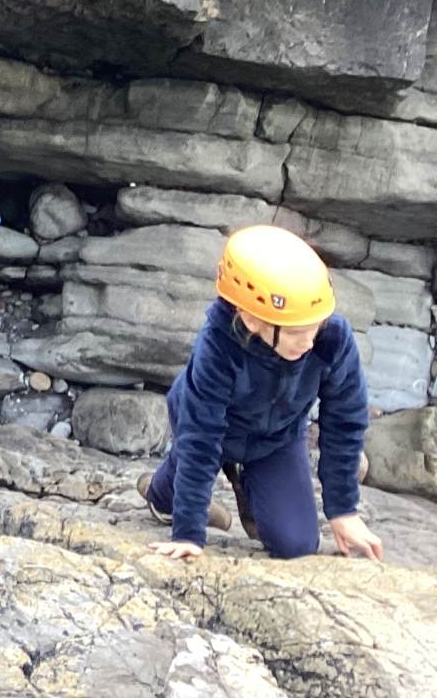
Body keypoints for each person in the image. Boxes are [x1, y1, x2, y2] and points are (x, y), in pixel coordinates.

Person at [140, 225, 381, 563]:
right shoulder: (218, 345)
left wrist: (343, 510)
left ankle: (247, 484)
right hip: (209, 425)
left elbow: (345, 421)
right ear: (251, 320)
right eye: (296, 331)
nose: (309, 341)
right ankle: (162, 489)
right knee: (191, 461)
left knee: (296, 546)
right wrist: (189, 533)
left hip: (277, 436)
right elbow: (201, 436)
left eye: (315, 326)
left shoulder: (333, 339)